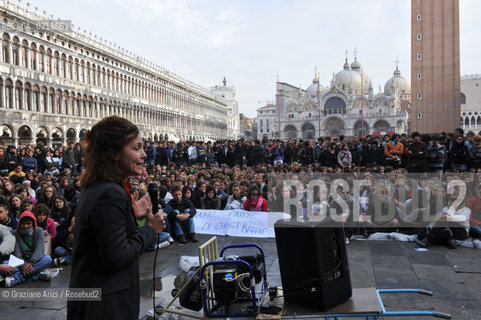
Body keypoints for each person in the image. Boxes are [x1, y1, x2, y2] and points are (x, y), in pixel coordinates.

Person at [67, 116, 166, 320]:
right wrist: (150, 229)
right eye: (136, 148)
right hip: (106, 305)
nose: (144, 154)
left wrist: (129, 215)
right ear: (114, 154)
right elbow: (116, 257)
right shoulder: (109, 193)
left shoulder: (97, 187)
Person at [4, 211, 53, 287]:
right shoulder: (14, 233)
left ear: (33, 223)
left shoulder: (39, 231)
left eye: (28, 223)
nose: (26, 226)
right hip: (20, 262)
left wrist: (29, 264)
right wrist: (22, 265)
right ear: (19, 224)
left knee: (48, 259)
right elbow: (17, 253)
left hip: (34, 261)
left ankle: (17, 278)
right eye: (23, 224)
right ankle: (38, 275)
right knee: (5, 263)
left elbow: (39, 251)